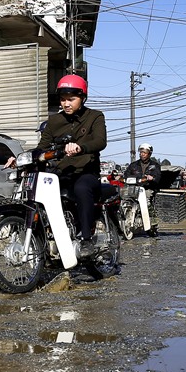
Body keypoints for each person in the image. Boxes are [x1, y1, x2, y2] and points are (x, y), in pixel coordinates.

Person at [38, 74, 107, 257]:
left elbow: (100, 141)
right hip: (62, 172)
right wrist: (19, 158)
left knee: (81, 188)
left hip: (86, 172)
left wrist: (81, 147)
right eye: (62, 100)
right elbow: (41, 148)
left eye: (71, 99)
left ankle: (86, 239)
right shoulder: (54, 121)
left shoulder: (95, 117)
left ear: (82, 98)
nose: (66, 104)